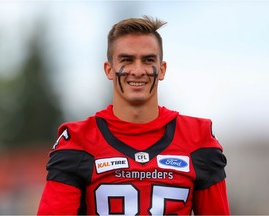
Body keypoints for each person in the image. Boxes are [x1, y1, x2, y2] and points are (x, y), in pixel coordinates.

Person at [37, 16, 230, 215]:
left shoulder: (199, 139)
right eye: (127, 60)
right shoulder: (78, 140)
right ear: (109, 69)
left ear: (162, 70)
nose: (138, 71)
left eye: (148, 60)